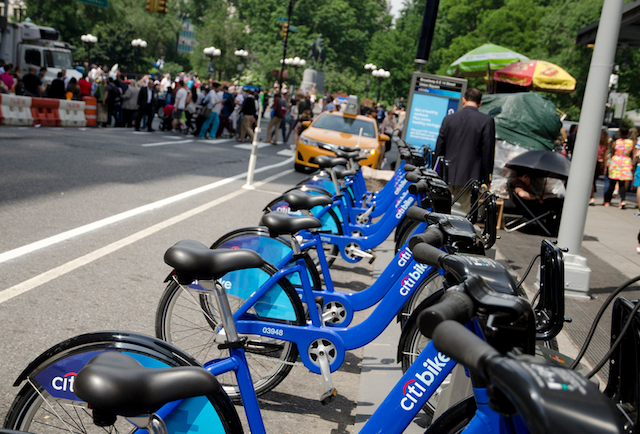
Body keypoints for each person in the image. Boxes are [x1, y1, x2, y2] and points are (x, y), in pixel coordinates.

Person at [435, 87, 495, 212]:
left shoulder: (448, 119)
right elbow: (487, 152)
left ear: (464, 100)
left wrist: (437, 171)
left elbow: (439, 148)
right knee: (462, 215)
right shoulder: (486, 121)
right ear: (480, 104)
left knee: (440, 212)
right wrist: (487, 178)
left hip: (446, 175)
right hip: (470, 177)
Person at [604, 125, 634, 208]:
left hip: (616, 162)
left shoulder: (616, 142)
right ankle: (622, 200)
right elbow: (632, 153)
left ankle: (607, 201)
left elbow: (613, 152)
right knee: (622, 184)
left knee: (612, 183)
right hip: (626, 162)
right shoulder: (631, 142)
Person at [591, 128, 610, 205]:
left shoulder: (596, 143)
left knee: (591, 181)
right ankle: (592, 195)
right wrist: (605, 168)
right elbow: (605, 157)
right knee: (594, 180)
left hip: (594, 162)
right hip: (600, 163)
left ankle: (591, 197)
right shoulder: (606, 145)